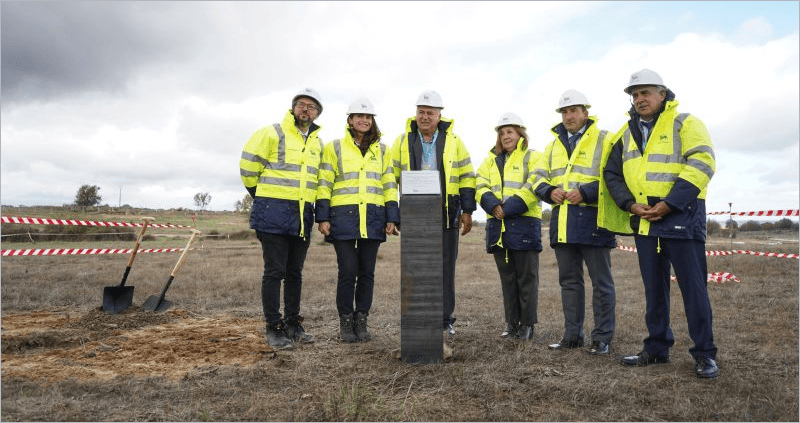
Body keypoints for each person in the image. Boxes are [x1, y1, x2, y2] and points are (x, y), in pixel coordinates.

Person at [599, 69, 719, 378]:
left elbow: (702, 163)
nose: (640, 99)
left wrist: (670, 203)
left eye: (646, 92)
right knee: (654, 291)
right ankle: (656, 348)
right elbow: (611, 174)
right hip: (645, 223)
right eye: (635, 94)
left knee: (694, 290)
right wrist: (628, 204)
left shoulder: (686, 123)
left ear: (662, 94)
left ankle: (705, 354)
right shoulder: (624, 134)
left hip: (681, 218)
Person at [239, 88, 324, 350]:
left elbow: (316, 181)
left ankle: (292, 323)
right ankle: (273, 327)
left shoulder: (317, 144)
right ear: (293, 108)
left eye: (312, 107)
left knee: (294, 273)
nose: (306, 109)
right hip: (273, 214)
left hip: (301, 216)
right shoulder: (271, 133)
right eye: (301, 104)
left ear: (317, 113)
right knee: (274, 271)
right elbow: (248, 168)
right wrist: (263, 197)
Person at [534, 90, 617, 355]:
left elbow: (617, 174)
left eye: (573, 111)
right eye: (564, 112)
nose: (568, 116)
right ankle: (572, 336)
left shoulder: (606, 139)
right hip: (563, 222)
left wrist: (588, 192)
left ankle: (601, 338)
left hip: (594, 220)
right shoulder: (552, 145)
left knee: (601, 282)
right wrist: (548, 191)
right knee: (569, 282)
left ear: (586, 113)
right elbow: (536, 177)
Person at [391, 89, 476, 336]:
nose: (425, 117)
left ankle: (444, 319)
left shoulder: (454, 142)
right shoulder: (402, 141)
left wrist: (467, 210)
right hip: (414, 210)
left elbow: (467, 176)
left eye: (430, 113)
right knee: (415, 267)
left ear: (440, 116)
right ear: (415, 114)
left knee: (445, 267)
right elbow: (390, 177)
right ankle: (417, 317)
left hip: (446, 211)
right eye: (421, 112)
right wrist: (393, 213)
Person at [316, 97, 399, 343]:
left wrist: (391, 216)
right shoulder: (335, 147)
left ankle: (362, 320)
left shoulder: (383, 150)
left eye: (368, 117)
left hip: (372, 218)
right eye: (359, 116)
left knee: (367, 273)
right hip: (343, 218)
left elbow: (389, 184)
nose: (364, 120)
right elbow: (324, 183)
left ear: (372, 121)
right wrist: (322, 216)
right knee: (347, 272)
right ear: (350, 120)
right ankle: (345, 322)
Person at [476, 112, 544, 341]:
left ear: (520, 134)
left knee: (527, 278)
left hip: (524, 224)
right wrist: (493, 205)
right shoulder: (489, 160)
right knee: (507, 279)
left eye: (510, 132)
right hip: (498, 227)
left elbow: (535, 183)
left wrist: (509, 207)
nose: (506, 136)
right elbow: (480, 185)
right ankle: (511, 323)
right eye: (502, 132)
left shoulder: (533, 157)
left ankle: (527, 325)